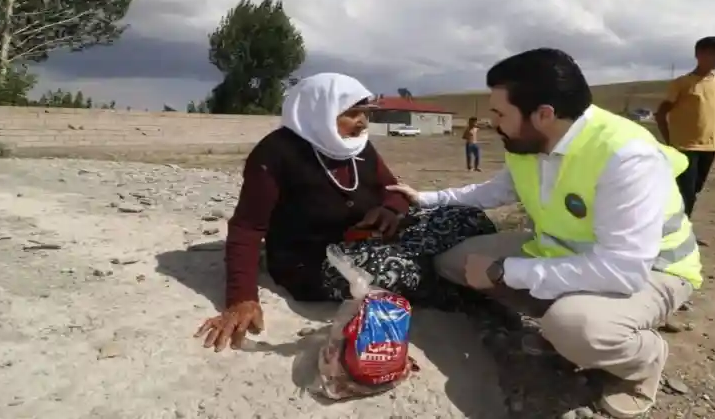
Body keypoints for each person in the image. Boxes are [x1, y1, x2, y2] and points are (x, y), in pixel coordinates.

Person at [388, 49, 703, 419]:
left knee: (577, 327)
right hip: (559, 253)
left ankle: (642, 361)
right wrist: (425, 199)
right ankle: (562, 326)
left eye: (500, 114)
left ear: (544, 114)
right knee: (453, 263)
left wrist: (504, 272)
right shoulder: (530, 141)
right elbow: (495, 191)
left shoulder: (626, 157)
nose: (493, 123)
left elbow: (622, 270)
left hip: (651, 271)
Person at [194, 73, 498, 353]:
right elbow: (247, 228)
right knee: (396, 270)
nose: (363, 123)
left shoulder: (357, 147)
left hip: (371, 239)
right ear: (319, 112)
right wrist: (241, 298)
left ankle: (454, 269)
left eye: (365, 113)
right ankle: (470, 290)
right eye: (352, 114)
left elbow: (395, 190)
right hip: (315, 262)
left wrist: (389, 209)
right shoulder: (275, 154)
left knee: (466, 216)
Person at [655, 36, 715, 220]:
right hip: (685, 147)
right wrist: (670, 143)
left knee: (695, 190)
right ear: (700, 54)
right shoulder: (682, 84)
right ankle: (677, 229)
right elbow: (660, 114)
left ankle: (674, 225)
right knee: (686, 193)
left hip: (710, 146)